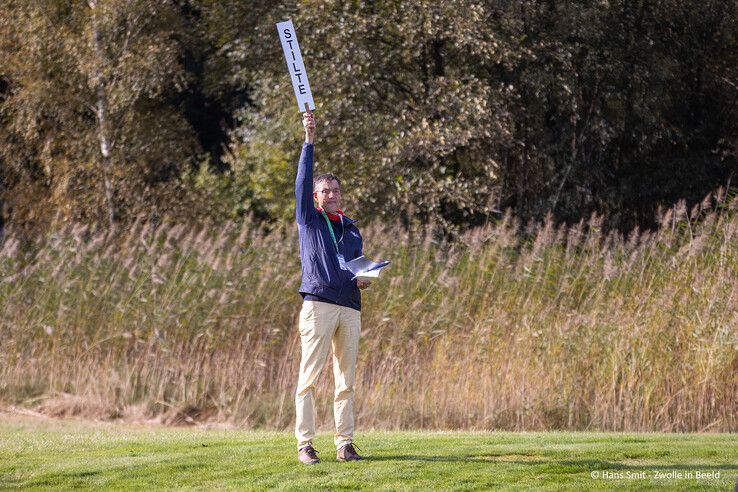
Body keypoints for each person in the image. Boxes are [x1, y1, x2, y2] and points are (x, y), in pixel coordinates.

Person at [293, 108, 370, 465]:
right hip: (319, 304)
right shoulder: (309, 219)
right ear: (315, 197)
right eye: (326, 190)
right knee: (309, 379)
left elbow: (354, 264)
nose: (332, 194)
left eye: (336, 190)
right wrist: (309, 140)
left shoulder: (351, 227)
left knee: (346, 380)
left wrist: (364, 279)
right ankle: (305, 445)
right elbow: (303, 180)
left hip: (350, 306)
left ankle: (345, 444)